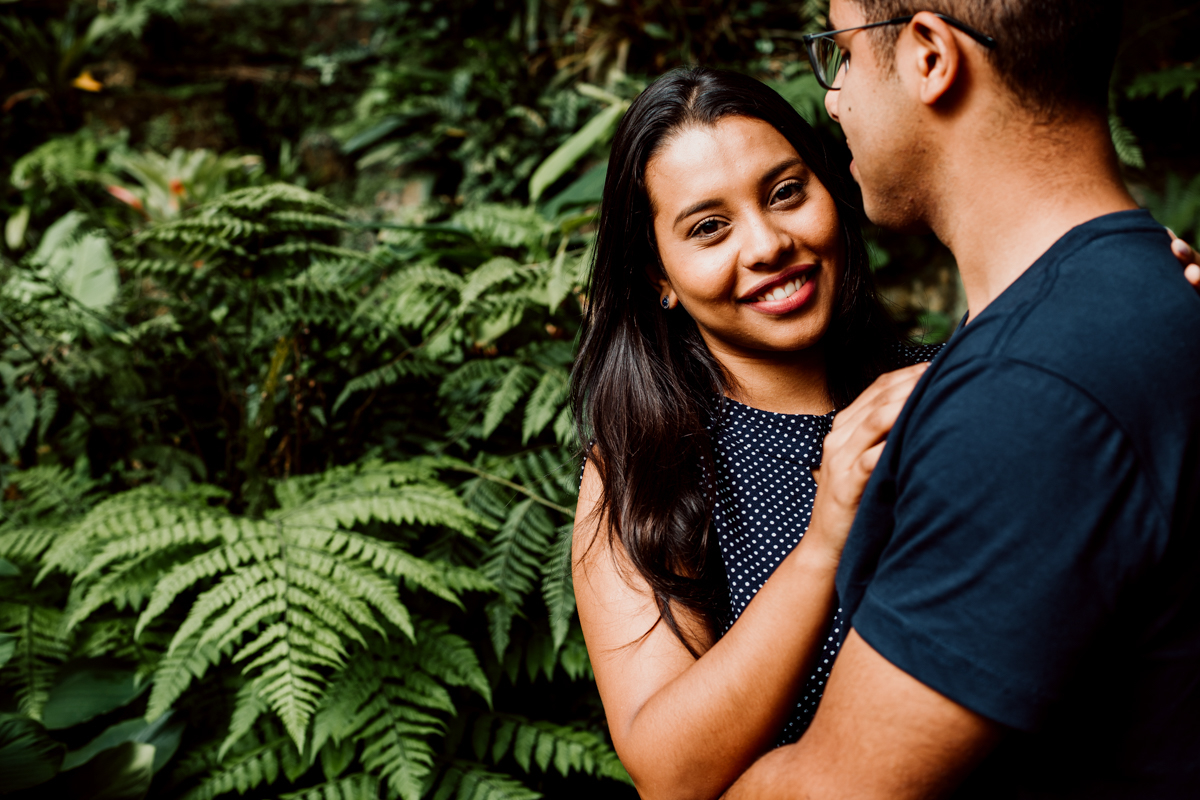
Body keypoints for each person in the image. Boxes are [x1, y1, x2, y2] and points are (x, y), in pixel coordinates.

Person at [569, 67, 1200, 800]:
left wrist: (1138, 317)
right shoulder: (643, 468)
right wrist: (823, 544)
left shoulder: (956, 384)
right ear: (659, 276)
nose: (768, 243)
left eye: (786, 193)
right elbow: (669, 774)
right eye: (710, 228)